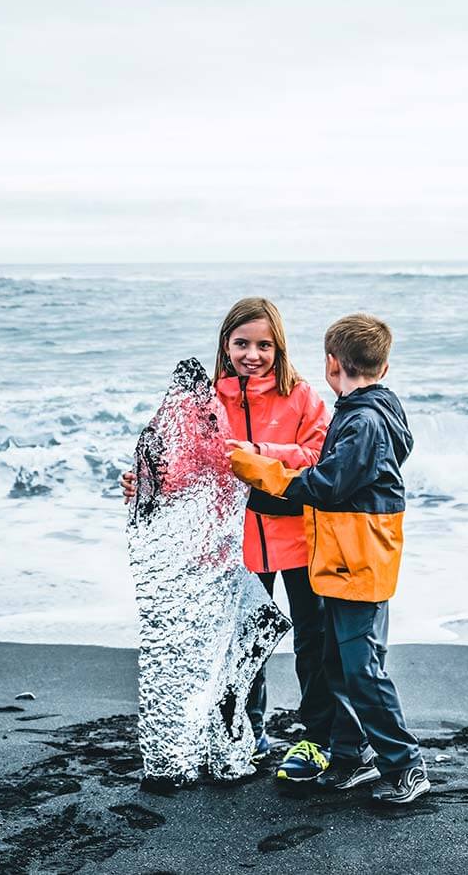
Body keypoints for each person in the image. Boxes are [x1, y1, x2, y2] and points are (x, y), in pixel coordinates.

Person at [122, 297, 336, 776]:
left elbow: (322, 455)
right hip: (234, 545)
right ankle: (246, 730)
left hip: (299, 536)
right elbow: (182, 467)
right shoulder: (206, 401)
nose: (252, 354)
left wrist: (258, 452)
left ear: (278, 348)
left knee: (313, 639)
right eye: (242, 343)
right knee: (242, 642)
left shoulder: (301, 395)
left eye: (263, 345)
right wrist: (145, 482)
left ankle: (316, 736)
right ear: (226, 344)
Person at [229, 313, 430, 804]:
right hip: (343, 558)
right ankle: (349, 756)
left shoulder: (363, 420)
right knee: (338, 663)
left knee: (362, 670)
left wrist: (260, 468)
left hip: (359, 561)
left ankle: (406, 766)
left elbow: (326, 485)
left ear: (331, 363)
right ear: (383, 365)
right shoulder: (361, 406)